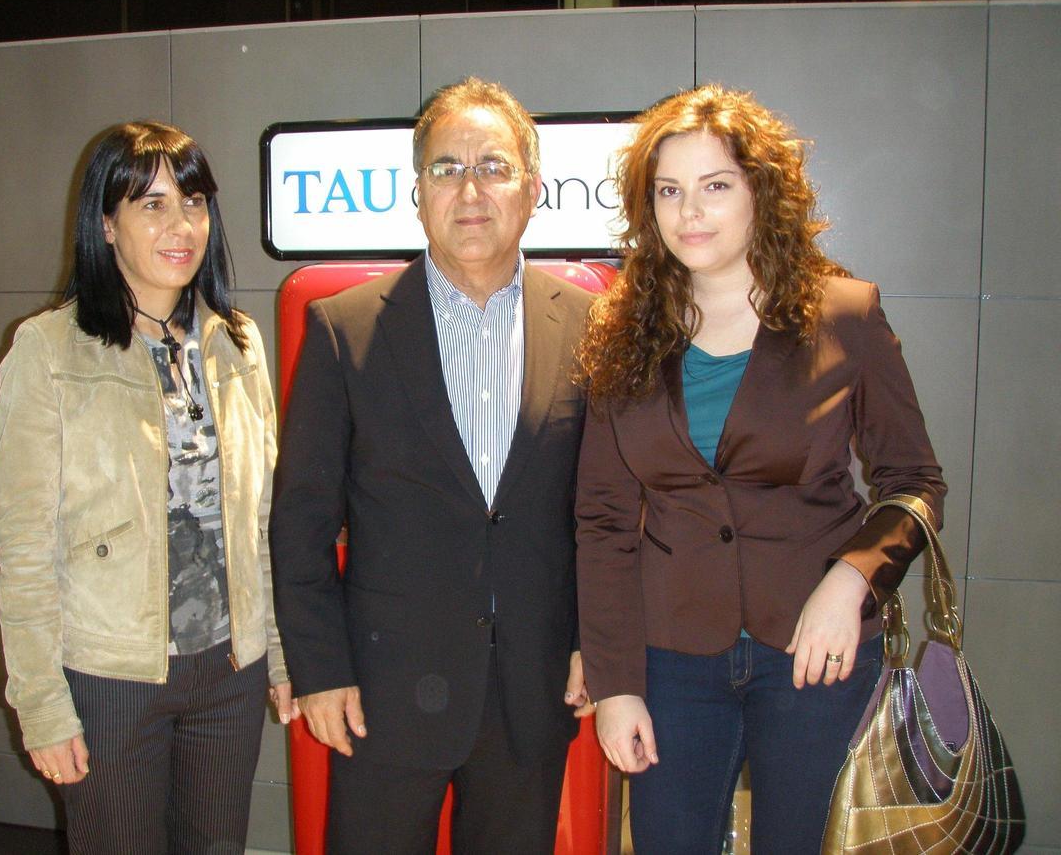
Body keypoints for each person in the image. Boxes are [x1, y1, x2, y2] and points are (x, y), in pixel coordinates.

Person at [574, 86, 947, 853]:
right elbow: (604, 521)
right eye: (669, 191)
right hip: (672, 658)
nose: (690, 213)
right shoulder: (619, 330)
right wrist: (615, 684)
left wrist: (851, 583)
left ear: (760, 191)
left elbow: (913, 482)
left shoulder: (845, 313)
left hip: (815, 652)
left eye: (716, 185)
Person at [270, 77, 594, 854]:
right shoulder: (344, 330)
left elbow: (604, 511)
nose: (470, 189)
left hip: (532, 690)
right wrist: (318, 670)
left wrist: (598, 639)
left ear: (533, 190)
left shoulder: (589, 325)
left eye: (493, 165)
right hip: (380, 697)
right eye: (447, 168)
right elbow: (300, 522)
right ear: (417, 193)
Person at [0, 120, 293, 854]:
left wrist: (279, 653)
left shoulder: (238, 344)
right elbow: (24, 551)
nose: (180, 225)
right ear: (105, 222)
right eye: (151, 205)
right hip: (109, 679)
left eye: (192, 202)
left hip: (228, 673)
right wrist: (42, 706)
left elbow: (260, 524)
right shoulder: (48, 350)